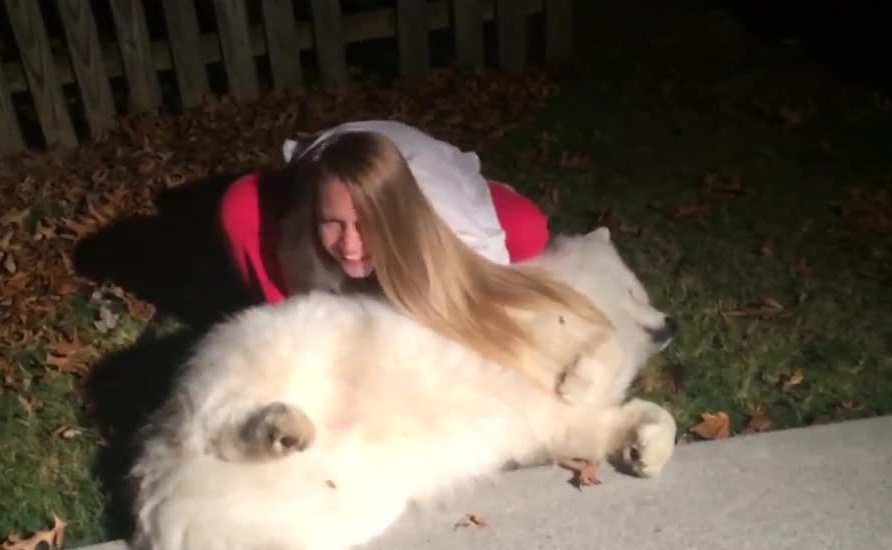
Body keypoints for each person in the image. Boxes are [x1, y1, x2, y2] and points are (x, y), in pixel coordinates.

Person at [216, 120, 608, 383]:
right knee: (239, 208)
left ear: (398, 220)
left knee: (526, 230)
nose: (350, 245)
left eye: (366, 226)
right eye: (333, 222)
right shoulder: (303, 223)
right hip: (328, 166)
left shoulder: (453, 230)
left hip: (433, 178)